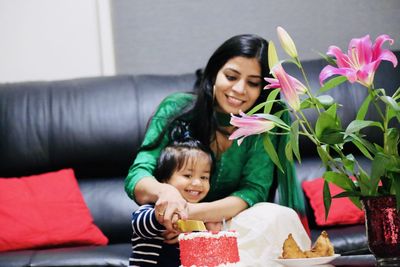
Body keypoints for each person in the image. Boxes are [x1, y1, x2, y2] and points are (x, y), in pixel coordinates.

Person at [125, 34, 310, 266]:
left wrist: (191, 213)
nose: (239, 89)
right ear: (214, 73)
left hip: (229, 226)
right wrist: (167, 195)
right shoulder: (175, 109)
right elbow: (138, 175)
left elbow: (253, 192)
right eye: (231, 76)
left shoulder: (264, 125)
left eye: (253, 83)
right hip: (173, 229)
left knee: (279, 216)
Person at [129, 128, 213, 267]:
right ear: (165, 181)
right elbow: (139, 225)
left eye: (204, 177)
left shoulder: (200, 219)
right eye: (188, 175)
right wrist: (168, 219)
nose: (198, 183)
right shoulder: (150, 209)